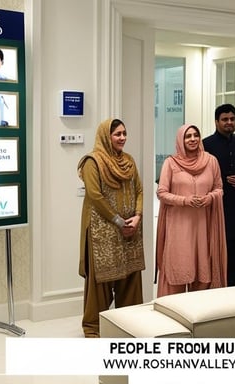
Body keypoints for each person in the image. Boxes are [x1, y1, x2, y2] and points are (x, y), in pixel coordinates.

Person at [77, 118, 144, 338]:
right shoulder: (92, 162)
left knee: (130, 277)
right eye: (117, 134)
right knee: (102, 281)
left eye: (124, 133)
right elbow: (95, 196)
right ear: (107, 136)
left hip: (130, 229)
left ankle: (130, 322)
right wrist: (118, 221)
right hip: (102, 231)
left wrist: (137, 216)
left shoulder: (129, 161)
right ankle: (94, 326)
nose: (122, 138)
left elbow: (139, 190)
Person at [156, 124, 226, 297]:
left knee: (202, 272)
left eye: (196, 135)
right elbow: (162, 192)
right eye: (188, 136)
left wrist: (209, 198)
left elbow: (219, 188)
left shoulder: (211, 161)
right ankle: (173, 315)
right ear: (181, 140)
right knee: (178, 269)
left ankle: (199, 317)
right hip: (179, 226)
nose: (193, 139)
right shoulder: (170, 163)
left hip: (203, 226)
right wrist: (185, 200)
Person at [203, 104, 235, 287]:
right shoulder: (206, 144)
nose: (229, 122)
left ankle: (232, 286)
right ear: (216, 122)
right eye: (225, 119)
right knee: (215, 248)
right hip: (215, 204)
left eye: (232, 119)